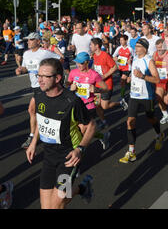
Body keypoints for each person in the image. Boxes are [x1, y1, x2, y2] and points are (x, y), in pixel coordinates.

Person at [25, 58, 96, 209]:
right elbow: (41, 121)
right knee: (47, 207)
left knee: (56, 205)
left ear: (57, 78)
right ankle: (82, 188)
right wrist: (33, 143)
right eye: (39, 75)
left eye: (45, 76)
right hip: (49, 157)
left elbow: (91, 125)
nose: (40, 80)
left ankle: (79, 189)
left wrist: (80, 149)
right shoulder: (39, 97)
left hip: (69, 158)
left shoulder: (71, 101)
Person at [119, 39, 164, 163]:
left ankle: (159, 134)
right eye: (136, 46)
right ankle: (131, 152)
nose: (136, 48)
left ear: (144, 48)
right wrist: (130, 77)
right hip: (134, 95)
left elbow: (157, 79)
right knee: (130, 121)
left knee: (151, 118)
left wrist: (142, 76)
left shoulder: (149, 61)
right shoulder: (134, 58)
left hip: (146, 96)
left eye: (138, 46)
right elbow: (134, 74)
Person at [16, 33, 61, 149]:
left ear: (37, 41)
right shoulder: (26, 54)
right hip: (34, 87)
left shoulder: (44, 53)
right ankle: (48, 132)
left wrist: (51, 74)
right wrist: (21, 70)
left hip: (44, 87)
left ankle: (33, 137)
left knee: (33, 109)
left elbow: (59, 58)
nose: (28, 42)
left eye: (30, 40)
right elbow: (26, 68)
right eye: (27, 40)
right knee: (38, 111)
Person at [67, 52, 111, 150]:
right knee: (79, 129)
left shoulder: (94, 75)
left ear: (87, 62)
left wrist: (96, 89)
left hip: (88, 105)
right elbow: (67, 85)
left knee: (83, 129)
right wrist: (70, 87)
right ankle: (102, 136)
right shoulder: (73, 72)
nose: (78, 65)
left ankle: (78, 151)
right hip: (75, 104)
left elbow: (106, 88)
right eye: (77, 62)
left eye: (81, 63)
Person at [90, 38, 127, 129]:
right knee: (97, 105)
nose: (90, 46)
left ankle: (120, 103)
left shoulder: (105, 55)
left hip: (106, 84)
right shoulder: (94, 55)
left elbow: (114, 67)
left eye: (91, 45)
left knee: (105, 106)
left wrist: (104, 76)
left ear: (97, 46)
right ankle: (103, 121)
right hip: (97, 84)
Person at [153, 38, 168, 124]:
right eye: (157, 48)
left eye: (160, 48)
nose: (159, 50)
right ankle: (166, 115)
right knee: (158, 98)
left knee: (167, 101)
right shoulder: (155, 54)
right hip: (159, 81)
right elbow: (152, 64)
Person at [112, 34, 134, 100]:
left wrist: (131, 60)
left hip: (128, 68)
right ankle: (132, 90)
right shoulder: (119, 48)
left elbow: (134, 57)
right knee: (126, 82)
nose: (121, 41)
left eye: (122, 40)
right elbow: (113, 57)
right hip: (121, 68)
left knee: (122, 80)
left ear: (126, 40)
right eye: (120, 40)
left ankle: (122, 96)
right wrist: (118, 59)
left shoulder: (130, 49)